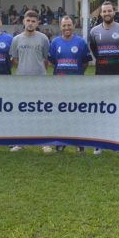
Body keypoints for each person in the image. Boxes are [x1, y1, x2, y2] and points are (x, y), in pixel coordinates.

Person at [88, 1, 119, 154]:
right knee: (101, 108)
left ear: (114, 12)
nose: (107, 13)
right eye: (104, 11)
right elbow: (94, 51)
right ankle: (99, 143)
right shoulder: (93, 32)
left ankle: (118, 142)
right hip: (101, 75)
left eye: (109, 11)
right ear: (100, 14)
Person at [48, 15, 92, 152]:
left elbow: (85, 62)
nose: (66, 28)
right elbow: (52, 62)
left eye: (69, 25)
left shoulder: (81, 42)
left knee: (77, 113)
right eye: (64, 25)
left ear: (73, 26)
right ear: (60, 27)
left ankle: (79, 142)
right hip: (59, 84)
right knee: (61, 113)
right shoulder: (55, 42)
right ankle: (61, 141)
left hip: (76, 84)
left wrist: (77, 73)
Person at [10, 9, 50, 152]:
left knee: (41, 111)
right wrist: (24, 70)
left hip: (40, 81)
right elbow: (14, 60)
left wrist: (38, 71)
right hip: (22, 81)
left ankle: (44, 142)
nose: (31, 23)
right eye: (28, 21)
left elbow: (46, 60)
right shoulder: (16, 39)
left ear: (38, 23)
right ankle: (20, 142)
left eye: (33, 21)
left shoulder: (44, 38)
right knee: (22, 112)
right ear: (23, 21)